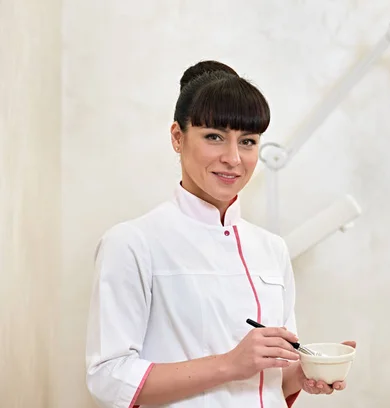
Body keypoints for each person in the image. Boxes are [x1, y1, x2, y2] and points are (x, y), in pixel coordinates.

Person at [85, 60, 356, 408]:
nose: (233, 158)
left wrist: (302, 374)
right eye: (214, 137)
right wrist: (229, 364)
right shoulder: (132, 244)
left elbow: (272, 377)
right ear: (177, 138)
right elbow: (108, 378)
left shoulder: (272, 250)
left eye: (247, 141)